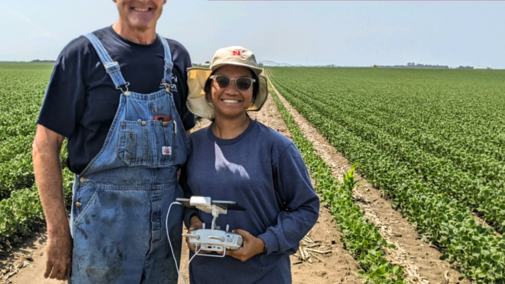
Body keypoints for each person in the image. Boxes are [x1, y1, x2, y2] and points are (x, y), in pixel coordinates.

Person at [32, 0, 194, 282]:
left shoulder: (177, 56)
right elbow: (44, 146)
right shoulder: (82, 54)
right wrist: (57, 233)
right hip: (102, 225)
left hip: (166, 227)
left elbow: (185, 138)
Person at [181, 46, 319, 283]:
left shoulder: (277, 147)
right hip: (206, 275)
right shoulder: (191, 146)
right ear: (208, 89)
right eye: (221, 81)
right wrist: (193, 220)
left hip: (264, 275)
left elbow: (306, 208)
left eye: (243, 83)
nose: (231, 89)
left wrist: (263, 244)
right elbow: (182, 196)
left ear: (253, 93)